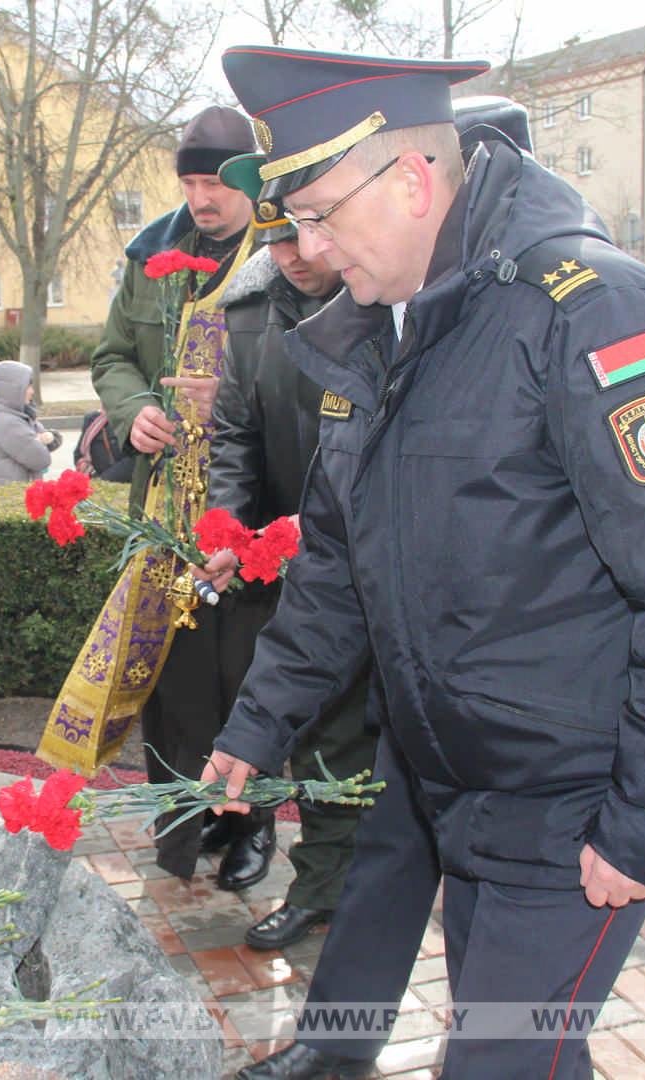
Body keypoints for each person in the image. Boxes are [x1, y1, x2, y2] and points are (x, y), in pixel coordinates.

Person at [201, 46, 645, 1080]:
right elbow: (337, 566)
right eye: (297, 224)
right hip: (450, 769)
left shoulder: (592, 315)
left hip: (573, 804)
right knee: (517, 1054)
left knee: (500, 1062)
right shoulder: (383, 331)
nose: (315, 249)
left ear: (415, 179)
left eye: (326, 215)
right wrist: (259, 724)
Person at [85, 106, 269, 887]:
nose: (200, 199)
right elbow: (111, 356)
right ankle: (183, 824)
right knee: (175, 676)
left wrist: (229, 390)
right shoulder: (152, 251)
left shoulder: (287, 247)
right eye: (189, 182)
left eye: (215, 183)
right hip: (165, 511)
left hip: (250, 505)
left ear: (251, 182)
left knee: (248, 672)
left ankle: (250, 826)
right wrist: (136, 413)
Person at [204, 153, 376, 948]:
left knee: (338, 731)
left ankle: (328, 886)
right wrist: (229, 527)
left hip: (353, 552)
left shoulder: (375, 303)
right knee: (283, 718)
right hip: (273, 560)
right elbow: (234, 431)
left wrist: (324, 527)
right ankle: (300, 860)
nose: (296, 261)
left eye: (304, 240)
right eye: (274, 246)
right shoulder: (249, 318)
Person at [0, 359, 61, 484]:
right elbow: (40, 459)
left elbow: (51, 440)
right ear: (12, 390)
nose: (32, 391)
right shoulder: (9, 423)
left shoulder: (18, 416)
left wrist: (48, 438)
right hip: (12, 497)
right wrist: (41, 440)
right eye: (28, 387)